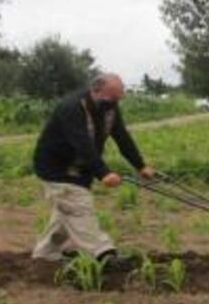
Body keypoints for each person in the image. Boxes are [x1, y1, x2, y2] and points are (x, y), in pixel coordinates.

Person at [31, 73, 155, 267]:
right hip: (56, 168)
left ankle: (45, 253)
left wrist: (140, 165)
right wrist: (103, 173)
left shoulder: (109, 108)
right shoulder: (71, 108)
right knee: (79, 207)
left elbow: (122, 137)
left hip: (80, 168)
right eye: (112, 99)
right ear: (96, 91)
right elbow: (82, 144)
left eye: (118, 100)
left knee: (67, 212)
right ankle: (103, 254)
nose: (115, 104)